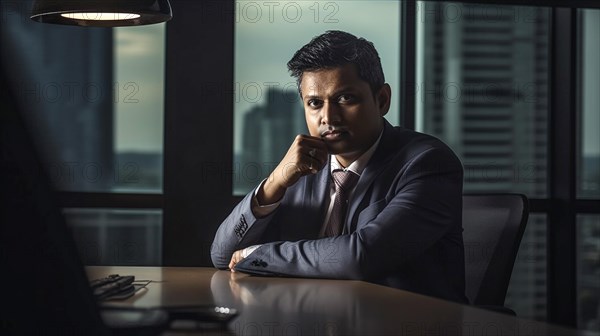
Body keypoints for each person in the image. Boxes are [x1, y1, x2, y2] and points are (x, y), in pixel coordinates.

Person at [211, 30, 467, 303]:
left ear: (382, 100)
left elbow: (362, 257)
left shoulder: (428, 163)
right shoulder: (304, 167)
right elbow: (223, 255)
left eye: (345, 99)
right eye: (315, 103)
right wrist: (275, 182)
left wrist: (257, 256)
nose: (328, 117)